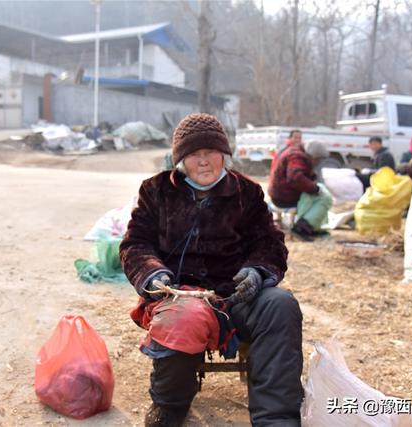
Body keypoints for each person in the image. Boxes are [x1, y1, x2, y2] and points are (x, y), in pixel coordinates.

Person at [120, 113, 303, 427]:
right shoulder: (156, 191)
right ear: (180, 160)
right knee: (184, 318)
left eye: (210, 153)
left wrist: (256, 272)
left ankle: (277, 419)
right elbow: (135, 244)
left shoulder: (247, 193)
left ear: (224, 155)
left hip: (236, 295)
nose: (203, 162)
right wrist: (154, 274)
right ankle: (170, 410)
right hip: (180, 294)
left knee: (281, 305)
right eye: (193, 154)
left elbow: (269, 243)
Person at [268, 136, 333, 240]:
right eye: (318, 159)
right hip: (284, 197)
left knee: (322, 192)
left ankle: (310, 227)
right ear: (314, 156)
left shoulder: (296, 152)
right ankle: (302, 228)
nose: (318, 162)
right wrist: (314, 188)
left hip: (281, 193)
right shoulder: (297, 157)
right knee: (325, 198)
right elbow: (295, 177)